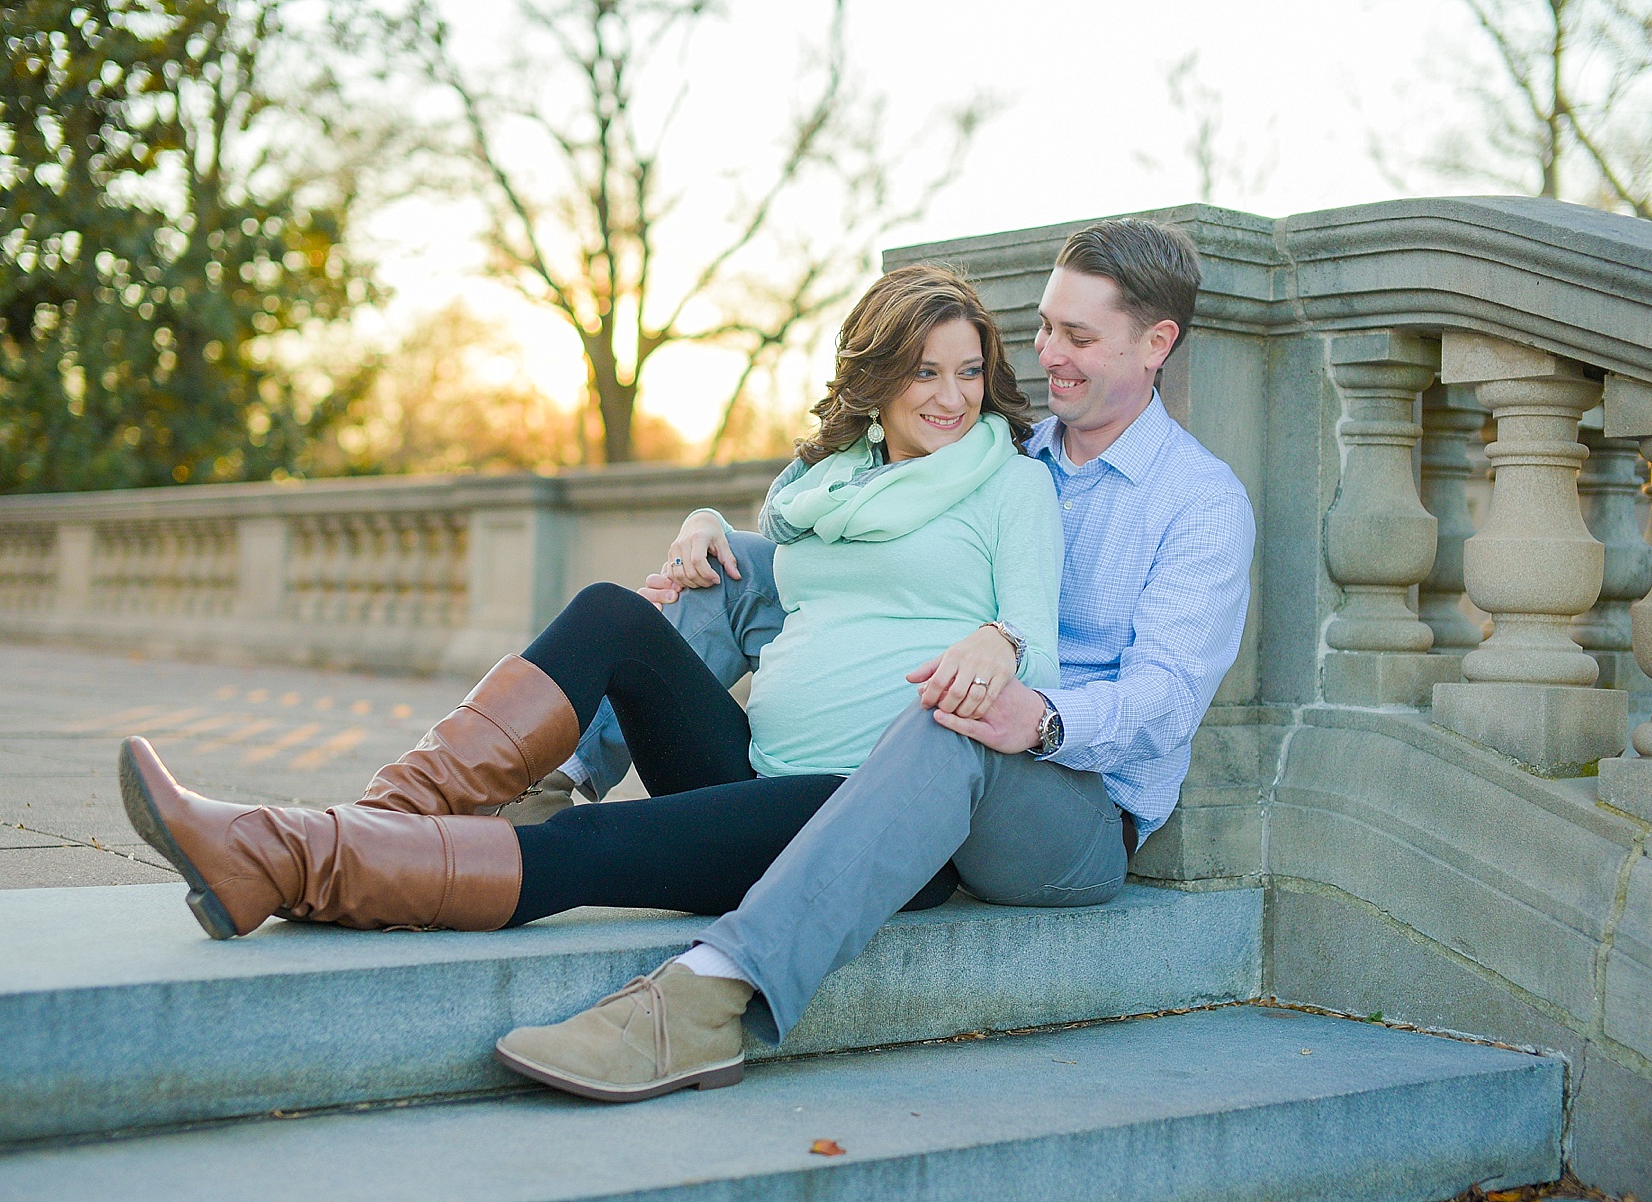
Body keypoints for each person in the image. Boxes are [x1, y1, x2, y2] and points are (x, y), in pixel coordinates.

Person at [118, 267, 1063, 1020]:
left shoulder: (1007, 487)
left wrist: (998, 637)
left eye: (969, 371)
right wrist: (707, 524)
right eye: (924, 370)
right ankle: (380, 825)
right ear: (875, 375)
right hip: (751, 774)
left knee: (584, 837)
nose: (950, 397)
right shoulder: (831, 490)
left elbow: (1035, 654)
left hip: (864, 821)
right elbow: (774, 574)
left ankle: (284, 857)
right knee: (614, 612)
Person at [492, 217, 1257, 1102]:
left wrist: (1039, 717)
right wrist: (717, 533)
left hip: (1075, 817)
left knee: (959, 713)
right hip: (923, 768)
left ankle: (704, 1002)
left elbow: (1165, 700)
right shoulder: (1004, 454)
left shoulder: (1199, 503)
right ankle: (537, 782)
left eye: (1078, 336)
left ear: (1157, 342)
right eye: (1045, 327)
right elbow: (857, 572)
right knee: (704, 590)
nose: (1048, 354)